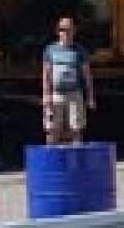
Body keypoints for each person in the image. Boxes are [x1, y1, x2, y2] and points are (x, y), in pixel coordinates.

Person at [41, 17, 97, 145]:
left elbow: (87, 75)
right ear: (58, 31)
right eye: (62, 29)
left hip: (74, 94)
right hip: (56, 94)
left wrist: (90, 96)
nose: (65, 32)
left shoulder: (80, 50)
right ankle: (52, 160)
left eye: (68, 29)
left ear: (74, 31)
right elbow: (46, 74)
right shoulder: (50, 49)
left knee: (76, 129)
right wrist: (46, 95)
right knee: (52, 129)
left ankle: (76, 160)